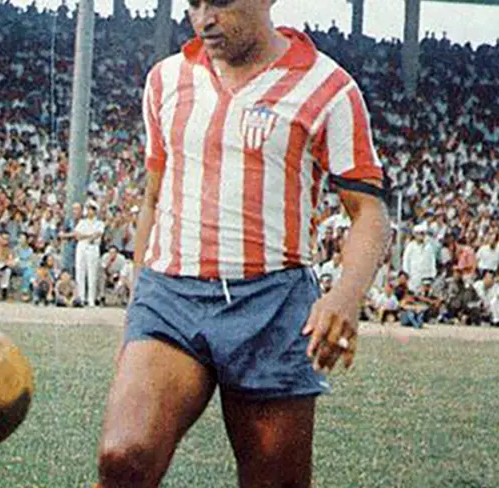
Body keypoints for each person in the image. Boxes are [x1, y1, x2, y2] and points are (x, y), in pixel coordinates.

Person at [95, 2, 390, 487]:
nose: (204, 18)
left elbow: (369, 213)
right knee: (124, 457)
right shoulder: (166, 80)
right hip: (170, 297)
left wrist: (344, 295)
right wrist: (136, 306)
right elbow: (153, 197)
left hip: (272, 303)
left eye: (221, 1)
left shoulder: (328, 88)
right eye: (194, 3)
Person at [74, 202, 105, 307]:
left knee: (92, 274)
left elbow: (97, 234)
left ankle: (91, 299)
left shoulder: (99, 223)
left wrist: (87, 236)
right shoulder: (82, 222)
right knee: (80, 271)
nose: (89, 211)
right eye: (88, 209)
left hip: (93, 247)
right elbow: (77, 235)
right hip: (82, 246)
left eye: (91, 209)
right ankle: (81, 298)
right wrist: (89, 235)